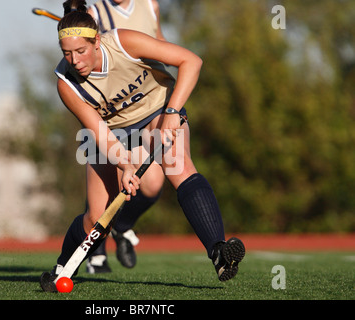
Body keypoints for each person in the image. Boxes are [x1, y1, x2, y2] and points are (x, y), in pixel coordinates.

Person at [40, 0, 245, 292]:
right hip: (111, 132)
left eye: (81, 51)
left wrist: (173, 114)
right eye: (67, 54)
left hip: (157, 110)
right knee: (99, 218)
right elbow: (99, 131)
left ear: (97, 41)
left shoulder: (124, 42)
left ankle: (218, 252)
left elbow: (191, 61)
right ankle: (63, 265)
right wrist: (124, 164)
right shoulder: (67, 84)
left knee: (178, 164)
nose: (74, 61)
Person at [85, 0, 168, 274]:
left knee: (153, 183)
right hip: (111, 115)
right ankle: (95, 254)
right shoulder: (96, 12)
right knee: (105, 185)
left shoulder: (149, 4)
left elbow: (159, 40)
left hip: (142, 106)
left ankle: (122, 226)